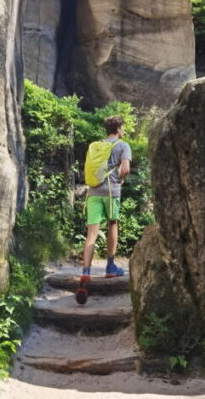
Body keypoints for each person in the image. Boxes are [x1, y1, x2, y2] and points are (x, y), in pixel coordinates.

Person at [75, 115, 131, 305]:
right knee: (112, 224)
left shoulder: (96, 146)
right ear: (119, 129)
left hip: (93, 192)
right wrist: (121, 179)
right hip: (111, 191)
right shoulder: (123, 145)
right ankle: (110, 266)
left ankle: (86, 273)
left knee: (91, 233)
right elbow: (125, 168)